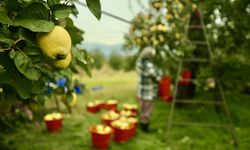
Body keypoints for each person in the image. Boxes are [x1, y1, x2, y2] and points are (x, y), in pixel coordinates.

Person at [136, 46, 163, 132]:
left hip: (142, 91)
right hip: (149, 91)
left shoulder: (140, 63)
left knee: (143, 109)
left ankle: (141, 126)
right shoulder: (149, 65)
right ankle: (145, 128)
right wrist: (160, 72)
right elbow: (157, 77)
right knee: (147, 110)